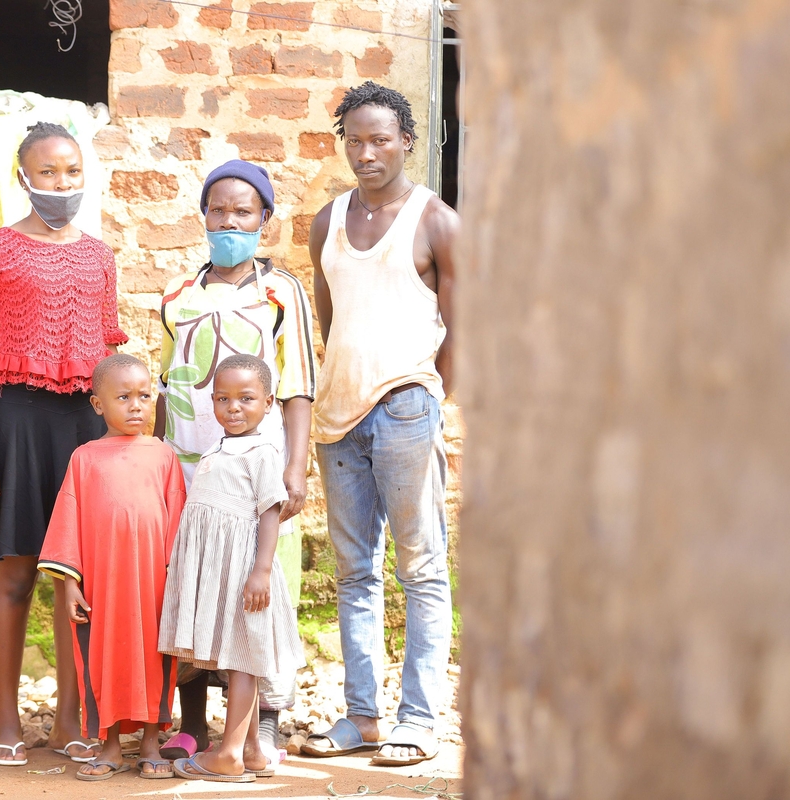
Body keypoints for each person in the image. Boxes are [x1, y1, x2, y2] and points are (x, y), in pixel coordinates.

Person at [0, 122, 128, 767]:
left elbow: (109, 358)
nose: (62, 184)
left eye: (72, 172)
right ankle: (4, 717)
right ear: (21, 176)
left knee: (75, 576)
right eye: (48, 172)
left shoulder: (99, 256)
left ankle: (71, 716)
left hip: (84, 425)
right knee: (17, 571)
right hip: (17, 422)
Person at [301, 81, 460, 767]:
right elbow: (329, 319)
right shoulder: (326, 220)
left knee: (420, 567)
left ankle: (418, 721)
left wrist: (423, 398)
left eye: (380, 139)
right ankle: (362, 716)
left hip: (405, 407)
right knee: (353, 572)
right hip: (339, 416)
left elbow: (460, 325)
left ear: (407, 141)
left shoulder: (436, 220)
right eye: (355, 140)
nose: (367, 153)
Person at [153, 160, 316, 763]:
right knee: (195, 587)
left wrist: (294, 469)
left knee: (260, 592)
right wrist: (159, 464)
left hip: (257, 477)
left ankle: (261, 724)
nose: (229, 221)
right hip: (192, 471)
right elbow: (168, 388)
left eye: (243, 212)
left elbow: (298, 387)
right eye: (218, 210)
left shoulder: (280, 294)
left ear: (264, 221)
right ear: (203, 217)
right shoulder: (177, 297)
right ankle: (193, 720)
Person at [37, 354, 187, 781]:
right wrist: (69, 586)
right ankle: (109, 746)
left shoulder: (163, 456)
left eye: (145, 396)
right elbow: (68, 527)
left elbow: (176, 520)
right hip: (101, 588)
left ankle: (151, 744)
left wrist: (177, 582)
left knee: (155, 658)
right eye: (124, 397)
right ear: (98, 404)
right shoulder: (84, 459)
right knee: (103, 660)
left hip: (153, 585)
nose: (137, 406)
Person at [159, 355, 306, 783]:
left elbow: (270, 512)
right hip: (219, 570)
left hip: (245, 569)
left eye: (246, 398)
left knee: (243, 657)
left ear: (270, 402)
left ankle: (228, 756)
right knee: (241, 652)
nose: (233, 407)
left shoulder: (262, 452)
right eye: (223, 399)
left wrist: (261, 570)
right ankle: (253, 750)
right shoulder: (220, 447)